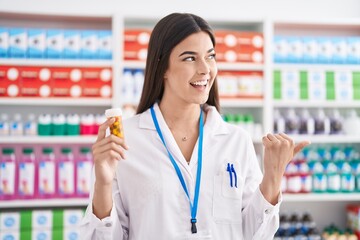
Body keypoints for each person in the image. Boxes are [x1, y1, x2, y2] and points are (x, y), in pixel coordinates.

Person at [80, 12, 310, 239]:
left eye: (210, 56)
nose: (205, 69)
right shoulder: (124, 141)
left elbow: (253, 235)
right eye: (190, 58)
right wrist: (103, 183)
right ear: (163, 68)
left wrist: (273, 177)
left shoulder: (236, 140)